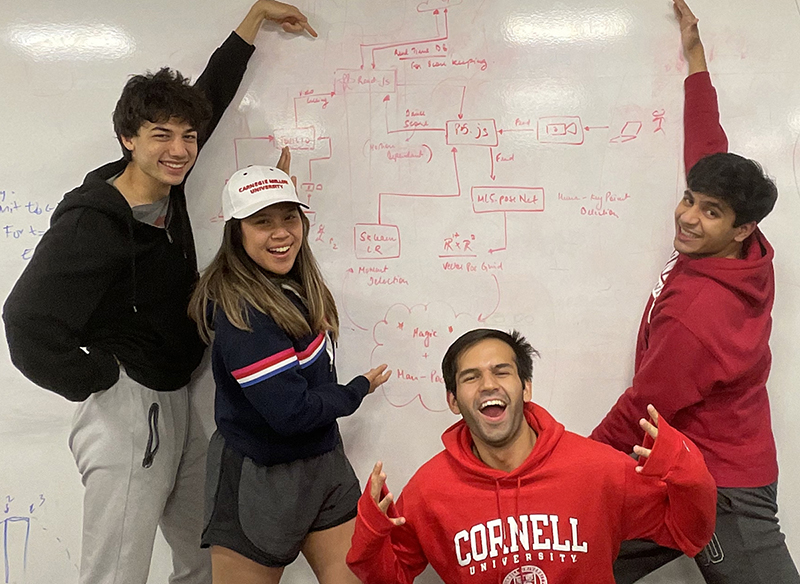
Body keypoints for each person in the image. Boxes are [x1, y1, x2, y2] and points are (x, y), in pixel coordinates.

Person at [2, 3, 316, 584]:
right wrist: (100, 378)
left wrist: (252, 22)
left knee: (201, 555)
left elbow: (210, 98)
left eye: (187, 137)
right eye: (160, 135)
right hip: (129, 407)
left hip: (179, 393)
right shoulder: (92, 223)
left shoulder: (168, 188)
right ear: (127, 138)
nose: (179, 148)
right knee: (118, 570)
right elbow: (24, 322)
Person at [590, 1, 799, 582]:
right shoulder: (745, 249)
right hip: (677, 464)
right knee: (579, 555)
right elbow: (707, 143)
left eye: (709, 212)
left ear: (741, 226)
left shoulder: (699, 316)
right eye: (689, 200)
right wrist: (695, 54)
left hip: (724, 484)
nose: (687, 218)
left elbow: (645, 406)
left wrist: (574, 462)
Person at [346, 328, 717, 584]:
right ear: (453, 401)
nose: (489, 384)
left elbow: (689, 533)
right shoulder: (429, 491)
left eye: (501, 371)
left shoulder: (598, 468)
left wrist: (684, 467)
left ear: (525, 387)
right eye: (471, 377)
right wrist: (371, 529)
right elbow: (388, 577)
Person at [188, 160, 391, 584]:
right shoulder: (243, 311)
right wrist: (356, 389)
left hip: (324, 465)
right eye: (262, 222)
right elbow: (291, 414)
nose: (281, 232)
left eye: (290, 217)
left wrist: (271, 184)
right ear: (236, 231)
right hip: (259, 480)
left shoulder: (293, 283)